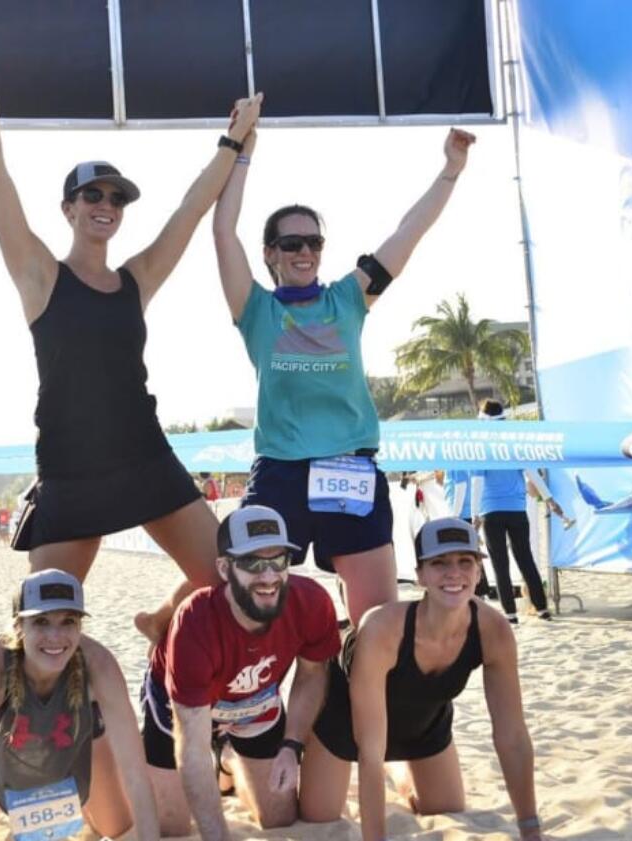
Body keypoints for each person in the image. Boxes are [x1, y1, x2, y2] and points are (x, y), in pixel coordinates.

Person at [0, 30, 262, 640]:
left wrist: (234, 140)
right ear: (68, 209)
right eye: (91, 195)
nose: (105, 205)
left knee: (232, 590)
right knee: (41, 623)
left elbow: (190, 212)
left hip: (145, 458)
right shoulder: (41, 276)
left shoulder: (136, 281)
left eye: (115, 198)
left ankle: (160, 621)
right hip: (71, 472)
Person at [213, 123, 476, 627]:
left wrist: (450, 170)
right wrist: (241, 155)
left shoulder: (348, 298)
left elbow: (408, 233)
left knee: (379, 623)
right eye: (291, 243)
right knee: (244, 612)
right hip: (281, 474)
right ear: (269, 253)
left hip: (350, 472)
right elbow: (223, 231)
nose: (304, 253)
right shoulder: (256, 309)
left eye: (313, 241)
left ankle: (363, 702)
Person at [301, 517, 543, 841]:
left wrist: (530, 828)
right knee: (318, 815)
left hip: (423, 720)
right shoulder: (382, 628)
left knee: (447, 807)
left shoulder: (493, 630)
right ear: (420, 575)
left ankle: (399, 769)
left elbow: (511, 735)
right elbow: (369, 750)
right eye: (439, 563)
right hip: (347, 720)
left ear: (479, 572)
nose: (453, 573)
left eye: (465, 562)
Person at [141, 506, 340, 840]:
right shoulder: (195, 620)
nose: (268, 577)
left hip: (255, 703)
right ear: (224, 567)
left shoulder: (312, 602)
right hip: (182, 711)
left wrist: (292, 746)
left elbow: (312, 675)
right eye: (251, 563)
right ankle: (145, 757)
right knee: (172, 826)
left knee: (279, 819)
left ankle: (230, 760)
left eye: (278, 561)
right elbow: (191, 748)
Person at [0, 569, 160, 840]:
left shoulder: (100, 665)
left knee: (116, 826)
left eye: (68, 621)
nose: (55, 636)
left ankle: (76, 801)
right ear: (19, 626)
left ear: (80, 626)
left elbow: (137, 776)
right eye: (41, 621)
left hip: (72, 720)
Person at [457, 399, 564, 624]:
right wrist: (549, 499)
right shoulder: (513, 443)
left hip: (491, 512)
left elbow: (477, 481)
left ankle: (510, 614)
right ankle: (542, 609)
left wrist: (475, 514)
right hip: (516, 510)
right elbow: (532, 473)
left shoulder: (481, 447)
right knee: (525, 559)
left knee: (500, 564)